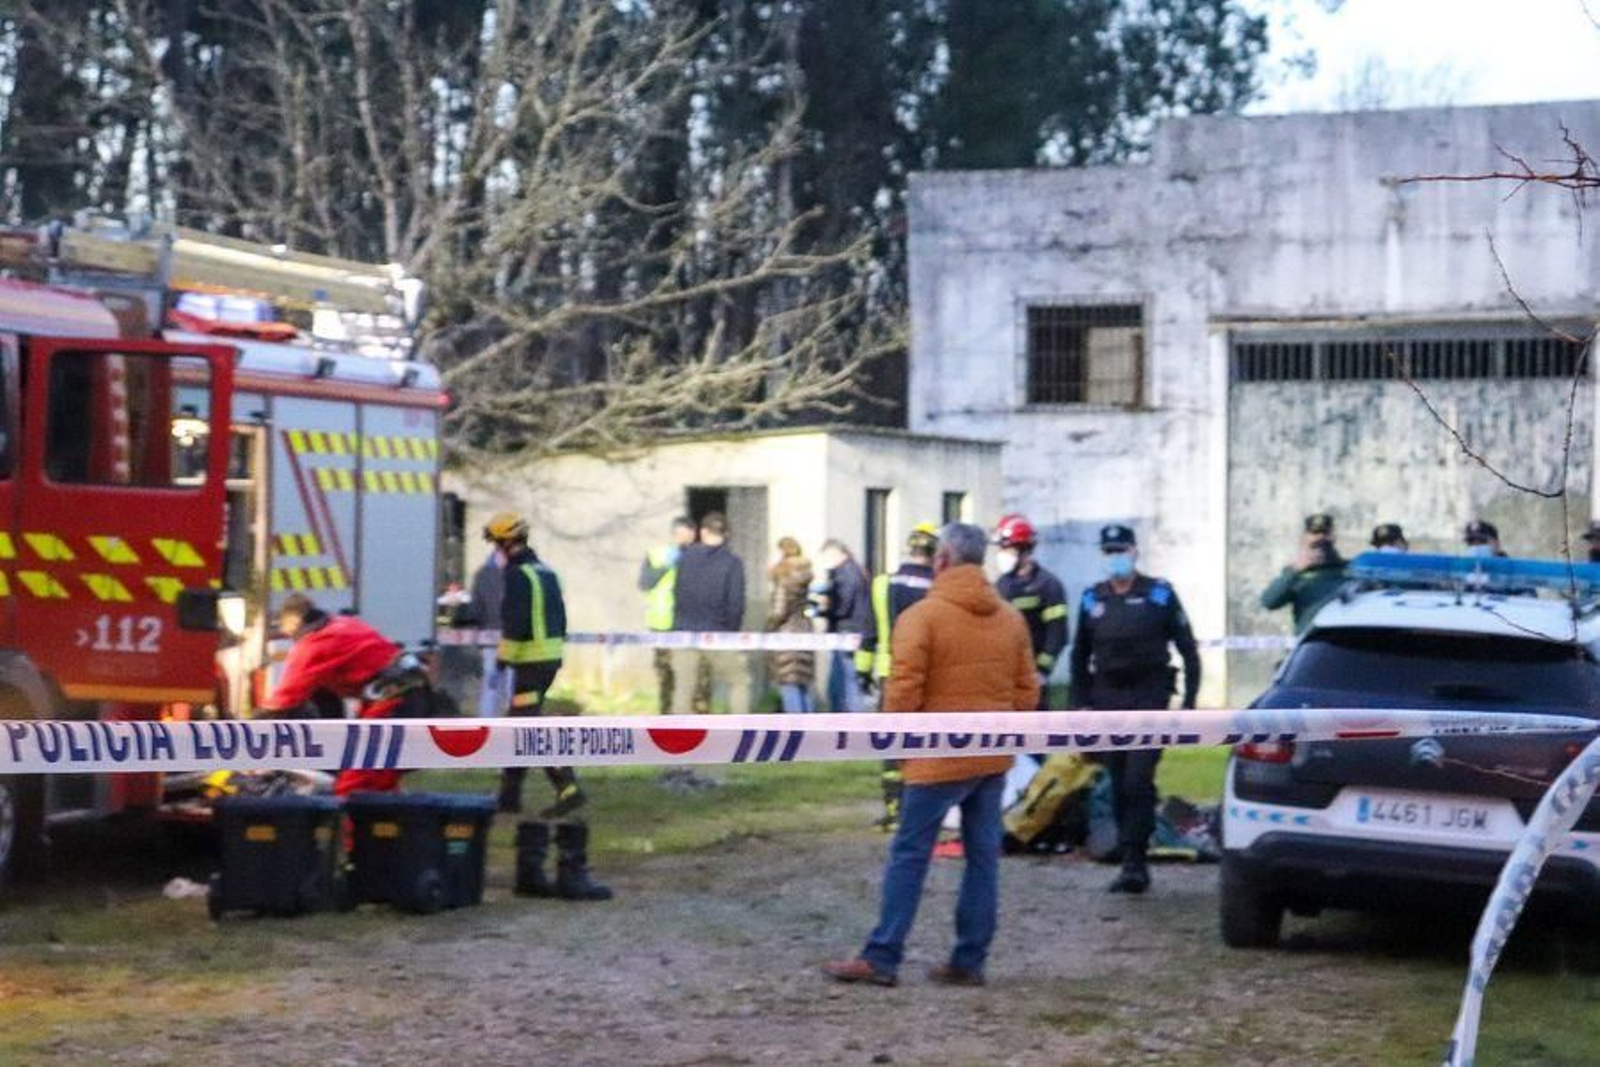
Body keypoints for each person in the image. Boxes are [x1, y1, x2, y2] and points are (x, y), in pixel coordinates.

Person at [823, 522, 1039, 988]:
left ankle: (883, 955)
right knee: (983, 858)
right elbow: (1028, 690)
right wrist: (1005, 734)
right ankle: (970, 959)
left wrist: (897, 748)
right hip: (993, 756)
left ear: (942, 559)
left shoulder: (922, 618)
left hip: (936, 756)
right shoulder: (1010, 619)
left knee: (909, 853)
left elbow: (902, 692)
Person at [1070, 524, 1201, 895]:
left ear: (1135, 552)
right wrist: (1081, 705)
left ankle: (1136, 861)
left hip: (1149, 700)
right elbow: (1080, 656)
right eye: (1109, 551)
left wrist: (1188, 704)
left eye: (1121, 550)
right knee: (1117, 785)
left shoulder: (1159, 594)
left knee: (1137, 780)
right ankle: (1129, 858)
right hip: (1108, 701)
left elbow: (1188, 650)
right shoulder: (1092, 599)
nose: (1116, 558)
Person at [257, 594, 419, 796]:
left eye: (285, 627)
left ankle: (345, 826)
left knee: (352, 787)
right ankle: (392, 824)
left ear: (294, 621)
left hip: (393, 701)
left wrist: (247, 729)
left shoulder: (313, 645)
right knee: (379, 782)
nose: (285, 633)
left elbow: (282, 703)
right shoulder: (342, 623)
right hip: (406, 693)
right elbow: (327, 700)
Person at [483, 511, 584, 819]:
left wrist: (502, 660)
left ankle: (568, 789)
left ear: (506, 543)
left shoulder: (517, 575)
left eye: (497, 545)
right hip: (548, 661)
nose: (496, 552)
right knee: (523, 724)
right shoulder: (546, 571)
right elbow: (561, 617)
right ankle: (509, 798)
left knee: (528, 728)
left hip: (531, 663)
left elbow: (516, 621)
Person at [869, 523, 939, 830]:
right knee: (927, 742)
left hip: (891, 672)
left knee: (892, 743)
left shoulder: (883, 583)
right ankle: (923, 810)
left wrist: (862, 669)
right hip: (931, 676)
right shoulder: (939, 585)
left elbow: (870, 630)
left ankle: (894, 809)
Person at [670, 511, 749, 714]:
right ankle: (740, 730)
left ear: (703, 532)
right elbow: (736, 604)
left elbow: (677, 592)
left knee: (683, 688)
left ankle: (678, 737)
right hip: (718, 633)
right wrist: (731, 632)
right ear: (727, 534)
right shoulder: (732, 563)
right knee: (739, 682)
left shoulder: (685, 558)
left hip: (684, 632)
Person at [991, 514, 1068, 707]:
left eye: (1004, 547)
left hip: (1034, 677)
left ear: (1022, 549)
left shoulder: (1048, 585)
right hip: (1003, 678)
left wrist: (1041, 671)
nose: (1000, 553)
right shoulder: (1001, 584)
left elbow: (1058, 633)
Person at [638, 516, 701, 713]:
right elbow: (645, 583)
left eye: (690, 534)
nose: (687, 538)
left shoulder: (698, 556)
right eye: (683, 533)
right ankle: (666, 719)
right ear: (675, 534)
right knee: (665, 677)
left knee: (690, 677)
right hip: (661, 625)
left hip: (689, 624)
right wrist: (667, 565)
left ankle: (688, 721)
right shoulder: (657, 554)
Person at [1260, 512, 1348, 633]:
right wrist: (1295, 570)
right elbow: (1269, 602)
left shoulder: (1348, 570)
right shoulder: (1295, 574)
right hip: (1310, 644)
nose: (1320, 538)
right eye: (1315, 533)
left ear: (1333, 538)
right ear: (1305, 538)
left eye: (1325, 533)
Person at [816, 539, 876, 712]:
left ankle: (850, 724)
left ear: (835, 553)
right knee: (843, 683)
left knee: (846, 684)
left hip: (846, 632)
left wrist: (825, 609)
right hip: (852, 631)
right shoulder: (853, 570)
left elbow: (843, 605)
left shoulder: (845, 574)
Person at [766, 537, 816, 713]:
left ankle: (796, 729)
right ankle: (812, 726)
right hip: (803, 628)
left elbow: (779, 611)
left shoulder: (784, 577)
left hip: (786, 633)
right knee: (803, 682)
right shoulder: (804, 575)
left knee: (788, 683)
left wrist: (769, 627)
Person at [464, 549, 512, 716]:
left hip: (499, 640)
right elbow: (476, 608)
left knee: (497, 685)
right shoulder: (511, 575)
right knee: (499, 685)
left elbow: (475, 608)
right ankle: (492, 720)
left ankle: (493, 720)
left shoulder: (483, 574)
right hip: (499, 640)